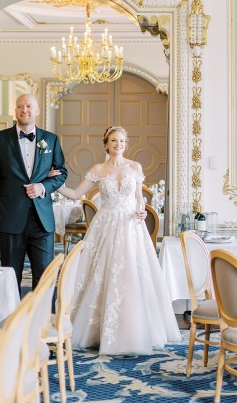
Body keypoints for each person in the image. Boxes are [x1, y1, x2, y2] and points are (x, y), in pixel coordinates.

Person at [53, 125, 181, 356]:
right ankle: (98, 331)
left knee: (133, 275)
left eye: (121, 141)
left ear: (125, 143)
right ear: (106, 144)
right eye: (114, 141)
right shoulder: (98, 169)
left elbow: (138, 199)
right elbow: (74, 194)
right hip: (107, 227)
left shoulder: (135, 167)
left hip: (132, 226)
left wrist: (142, 210)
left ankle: (137, 330)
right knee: (105, 275)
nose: (118, 145)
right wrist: (54, 182)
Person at [0, 93, 68, 294]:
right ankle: (10, 323)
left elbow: (62, 172)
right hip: (9, 219)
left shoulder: (51, 140)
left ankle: (42, 323)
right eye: (20, 106)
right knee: (10, 278)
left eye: (29, 106)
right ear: (15, 111)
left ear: (37, 111)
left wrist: (43, 186)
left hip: (42, 221)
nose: (24, 110)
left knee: (45, 278)